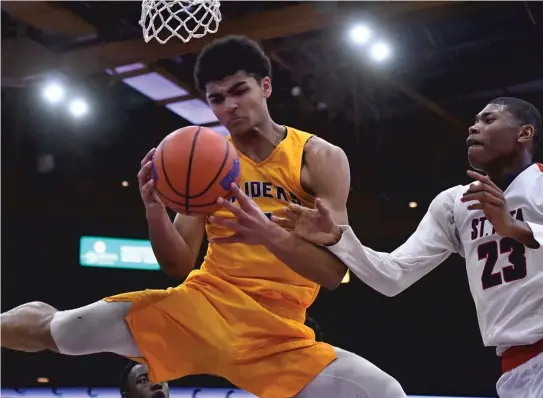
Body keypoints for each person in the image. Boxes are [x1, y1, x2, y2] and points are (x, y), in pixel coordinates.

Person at [0, 35, 406, 398]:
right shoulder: (210, 160)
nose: (229, 106)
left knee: (385, 392)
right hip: (203, 308)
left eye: (239, 91)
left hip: (278, 332)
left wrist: (266, 232)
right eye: (216, 98)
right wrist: (155, 210)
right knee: (64, 332)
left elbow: (334, 274)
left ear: (265, 86)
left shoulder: (319, 158)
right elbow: (177, 264)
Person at [270, 97, 543, 398]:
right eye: (473, 121)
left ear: (524, 133)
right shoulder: (455, 204)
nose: (473, 128)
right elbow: (393, 276)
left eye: (488, 119)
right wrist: (339, 238)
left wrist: (516, 228)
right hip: (515, 368)